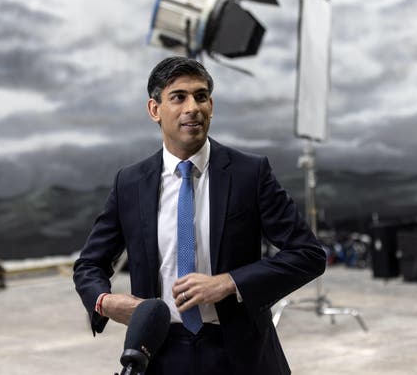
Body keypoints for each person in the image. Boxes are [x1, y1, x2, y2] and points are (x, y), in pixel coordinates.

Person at [73, 56, 327, 375]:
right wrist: (105, 303)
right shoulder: (130, 183)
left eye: (201, 96)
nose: (193, 107)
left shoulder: (250, 173)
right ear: (154, 110)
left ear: (211, 105)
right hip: (160, 353)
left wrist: (230, 282)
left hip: (240, 353)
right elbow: (89, 264)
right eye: (178, 97)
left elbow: (308, 254)